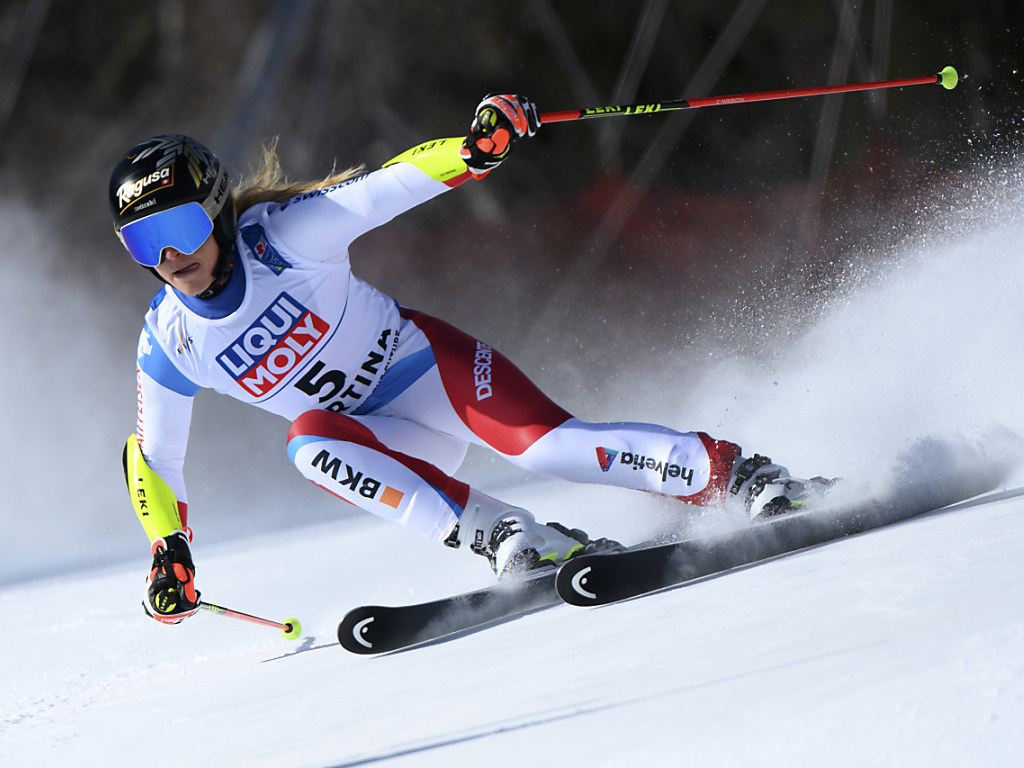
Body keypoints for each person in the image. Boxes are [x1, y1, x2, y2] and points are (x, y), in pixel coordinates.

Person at [112, 94, 827, 625]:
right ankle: (511, 535)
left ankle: (738, 475)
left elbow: (387, 185)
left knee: (552, 451)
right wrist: (166, 549)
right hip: (381, 443)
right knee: (306, 444)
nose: (170, 258)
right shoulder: (171, 341)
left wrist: (476, 150)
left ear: (215, 211)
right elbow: (153, 456)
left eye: (178, 228)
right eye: (145, 245)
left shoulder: (288, 238)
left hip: (427, 374)